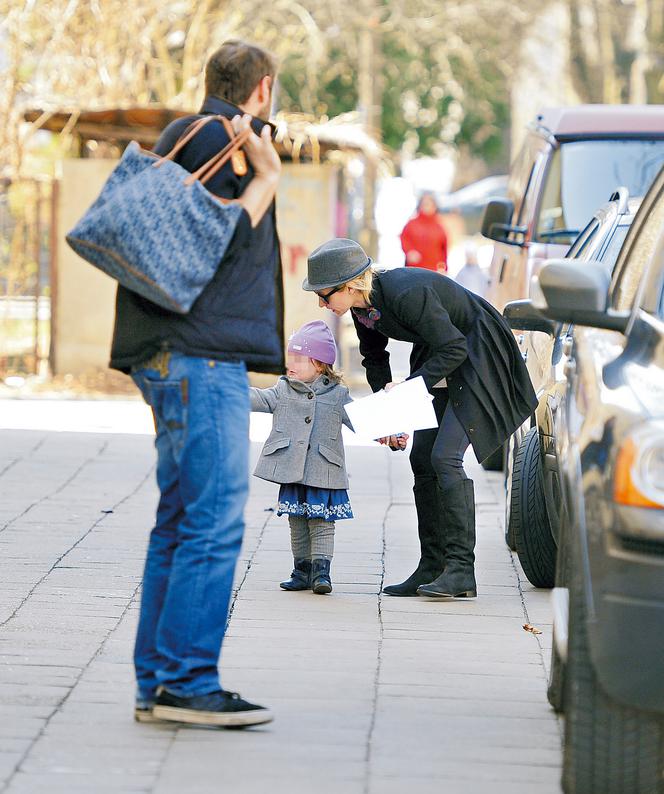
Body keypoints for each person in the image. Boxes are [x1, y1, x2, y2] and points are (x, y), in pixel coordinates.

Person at [109, 40, 282, 728]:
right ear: (262, 88)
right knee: (213, 520)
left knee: (180, 520)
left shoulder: (183, 133)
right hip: (200, 358)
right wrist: (264, 180)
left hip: (170, 354)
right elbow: (213, 246)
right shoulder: (220, 139)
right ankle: (186, 681)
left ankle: (158, 680)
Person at [303, 238, 537, 600]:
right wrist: (389, 418)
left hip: (475, 352)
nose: (322, 303)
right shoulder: (362, 309)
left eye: (324, 294)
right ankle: (432, 565)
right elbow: (375, 360)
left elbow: (456, 346)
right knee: (421, 457)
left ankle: (461, 571)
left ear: (350, 285)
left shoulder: (404, 291)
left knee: (445, 457)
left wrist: (411, 386)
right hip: (441, 356)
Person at [250, 321, 353, 595]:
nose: (290, 364)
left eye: (298, 359)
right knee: (297, 521)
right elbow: (259, 399)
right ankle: (302, 570)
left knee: (321, 522)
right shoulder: (282, 390)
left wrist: (389, 434)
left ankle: (322, 572)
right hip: (292, 470)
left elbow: (362, 421)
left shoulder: (339, 394)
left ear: (319, 364)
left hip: (324, 469)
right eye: (289, 358)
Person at [399, 193, 448, 273]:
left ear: (434, 207)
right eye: (424, 204)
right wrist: (409, 251)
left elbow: (444, 250)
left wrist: (443, 268)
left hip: (433, 271)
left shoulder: (440, 227)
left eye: (429, 204)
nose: (426, 207)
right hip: (414, 270)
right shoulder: (412, 224)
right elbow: (403, 238)